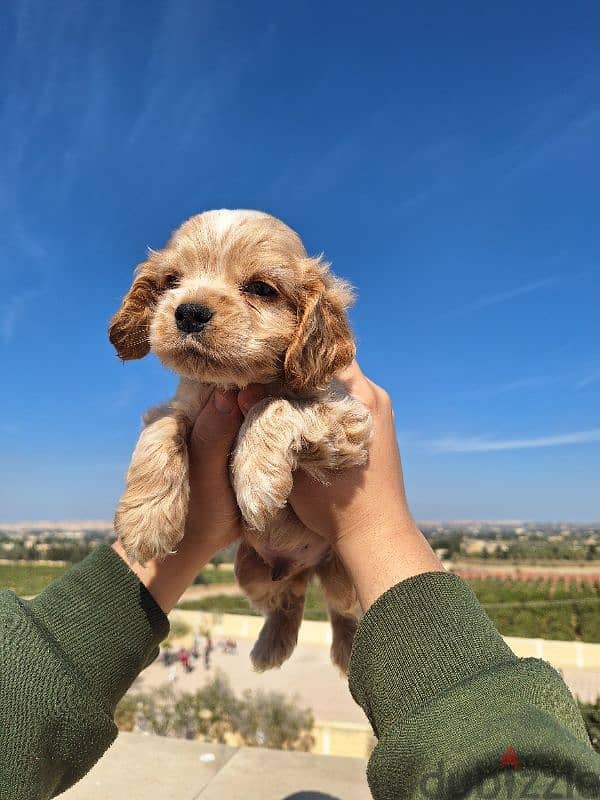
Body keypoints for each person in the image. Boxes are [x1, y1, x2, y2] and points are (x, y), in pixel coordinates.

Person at [0, 364, 599, 800]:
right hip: (263, 545)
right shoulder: (193, 388)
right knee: (255, 575)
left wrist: (283, 429)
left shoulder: (308, 375)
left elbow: (323, 414)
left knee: (342, 590)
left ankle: (343, 623)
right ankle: (284, 615)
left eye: (257, 288)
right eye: (172, 283)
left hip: (315, 536)